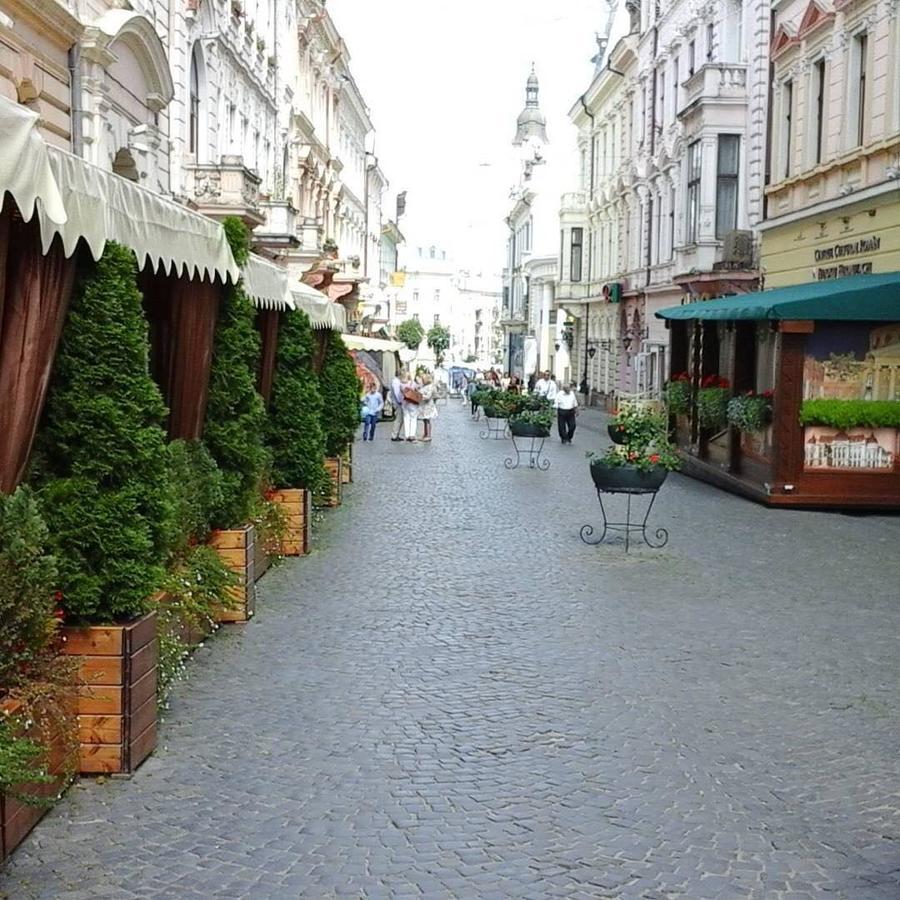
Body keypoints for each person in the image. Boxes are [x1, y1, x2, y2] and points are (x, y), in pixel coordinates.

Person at [418, 373, 438, 441]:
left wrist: (421, 396)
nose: (422, 381)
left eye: (423, 379)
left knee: (428, 420)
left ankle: (429, 435)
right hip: (424, 406)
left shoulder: (430, 386)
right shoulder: (424, 386)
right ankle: (425, 434)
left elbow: (428, 396)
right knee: (424, 420)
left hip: (428, 406)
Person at [401, 372, 421, 442]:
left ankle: (407, 435)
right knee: (413, 419)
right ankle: (412, 435)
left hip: (404, 403)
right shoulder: (413, 383)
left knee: (406, 419)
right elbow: (418, 390)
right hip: (412, 403)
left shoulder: (401, 384)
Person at [390, 371, 407, 442]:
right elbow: (397, 393)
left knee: (400, 419)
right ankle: (394, 435)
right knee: (398, 419)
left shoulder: (396, 381)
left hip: (397, 402)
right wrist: (400, 401)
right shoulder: (396, 382)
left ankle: (396, 434)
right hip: (398, 403)